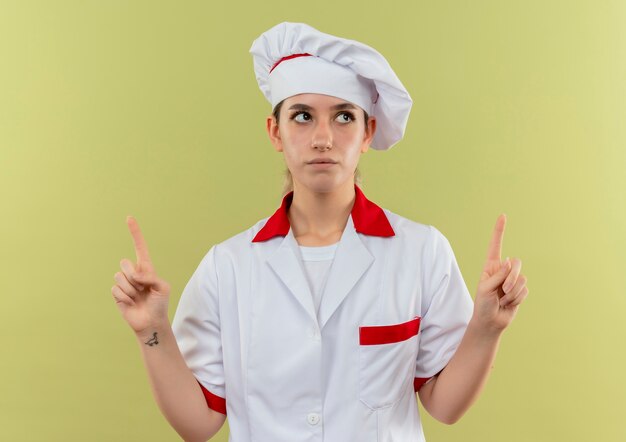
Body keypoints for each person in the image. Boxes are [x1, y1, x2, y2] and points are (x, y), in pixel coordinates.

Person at [111, 22, 529, 442]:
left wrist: (486, 328)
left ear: (368, 132)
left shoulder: (421, 252)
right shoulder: (228, 267)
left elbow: (445, 406)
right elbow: (198, 424)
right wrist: (152, 330)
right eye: (303, 117)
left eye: (344, 117)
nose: (324, 138)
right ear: (276, 132)